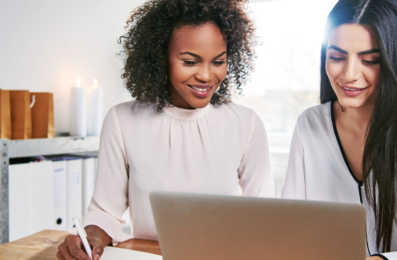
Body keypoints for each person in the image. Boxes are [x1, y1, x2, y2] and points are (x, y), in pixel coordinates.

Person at [57, 0, 274, 259]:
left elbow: (264, 219)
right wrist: (89, 241)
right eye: (190, 62)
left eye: (218, 61)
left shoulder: (246, 124)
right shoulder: (122, 120)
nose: (206, 76)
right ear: (162, 57)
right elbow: (105, 211)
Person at [279, 0, 397, 259]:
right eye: (336, 57)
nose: (349, 74)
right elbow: (289, 230)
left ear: (395, 62)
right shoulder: (310, 126)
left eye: (369, 60)